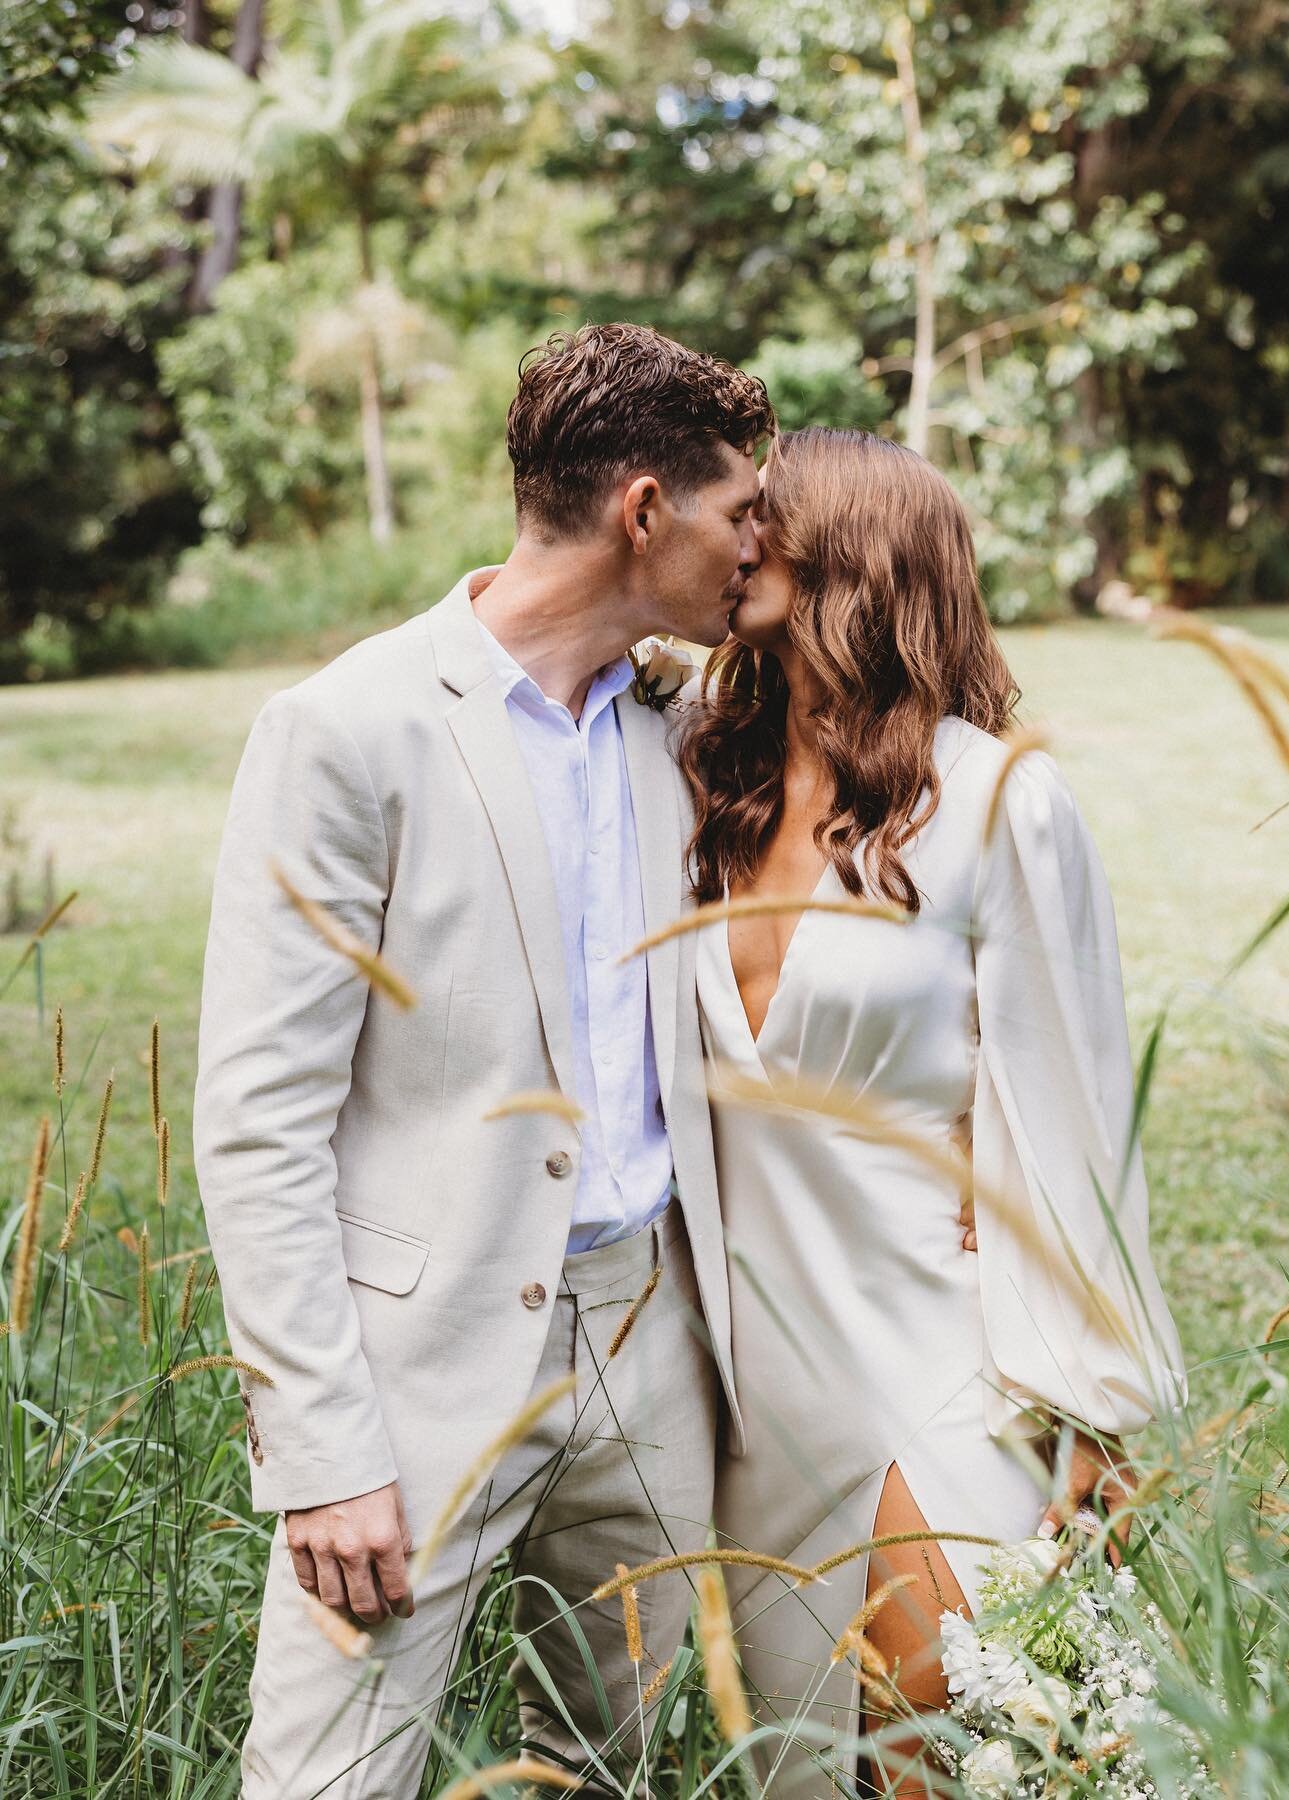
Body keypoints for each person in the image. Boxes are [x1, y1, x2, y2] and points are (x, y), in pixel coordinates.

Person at [192, 322, 773, 1797]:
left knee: (602, 1772)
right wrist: (321, 1448)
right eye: (739, 510)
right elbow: (258, 1121)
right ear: (645, 509)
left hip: (647, 1346)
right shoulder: (346, 732)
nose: (758, 549)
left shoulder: (676, 725)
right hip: (415, 1371)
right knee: (329, 1780)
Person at [674, 426, 1189, 1799]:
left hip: (932, 1354)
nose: (735, 536)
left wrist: (1091, 1409)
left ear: (857, 555)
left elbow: (1077, 1114)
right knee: (792, 1769)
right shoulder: (689, 779)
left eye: (767, 517)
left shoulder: (998, 802)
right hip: (747, 1388)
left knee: (968, 1757)